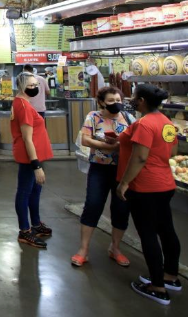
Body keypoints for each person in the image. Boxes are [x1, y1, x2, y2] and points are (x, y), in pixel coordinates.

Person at [116, 84, 181, 306]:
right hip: (165, 184)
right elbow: (173, 151)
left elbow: (140, 157)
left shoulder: (144, 124)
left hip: (145, 186)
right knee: (167, 230)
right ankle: (170, 276)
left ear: (142, 100)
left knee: (148, 234)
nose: (132, 100)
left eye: (134, 97)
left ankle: (157, 286)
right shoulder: (167, 122)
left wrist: (124, 182)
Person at [71, 86, 135, 268]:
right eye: (111, 101)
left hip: (122, 171)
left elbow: (135, 142)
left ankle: (115, 248)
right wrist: (109, 146)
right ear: (101, 102)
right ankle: (83, 250)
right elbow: (85, 140)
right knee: (93, 205)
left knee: (121, 209)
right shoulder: (93, 117)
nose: (116, 104)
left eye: (118, 100)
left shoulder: (129, 119)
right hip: (99, 168)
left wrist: (120, 143)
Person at [12, 71, 54, 249]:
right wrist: (36, 165)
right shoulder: (23, 106)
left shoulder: (24, 103)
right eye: (30, 85)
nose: (35, 88)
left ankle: (35, 224)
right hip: (30, 157)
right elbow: (27, 138)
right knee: (24, 192)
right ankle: (25, 230)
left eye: (36, 85)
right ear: (22, 87)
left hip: (36, 154)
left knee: (35, 190)